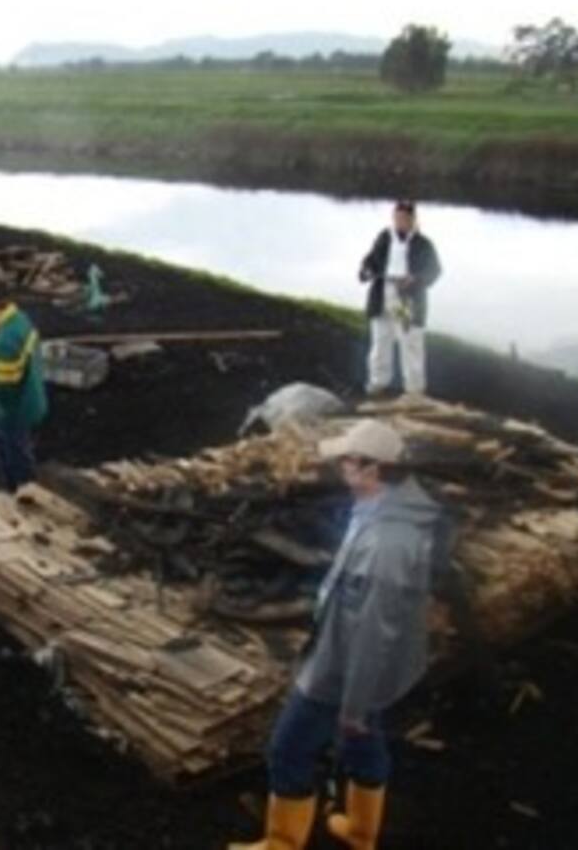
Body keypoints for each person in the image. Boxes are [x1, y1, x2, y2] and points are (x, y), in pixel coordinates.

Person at [228, 419, 449, 850]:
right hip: (358, 662)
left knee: (288, 749)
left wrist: (355, 703)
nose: (340, 467)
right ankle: (362, 834)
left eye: (347, 460)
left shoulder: (387, 543)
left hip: (344, 667)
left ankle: (281, 843)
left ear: (373, 468)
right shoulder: (383, 507)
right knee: (364, 743)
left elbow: (375, 631)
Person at [359, 200, 442, 397]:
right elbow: (370, 260)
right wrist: (367, 270)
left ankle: (414, 390)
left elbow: (434, 270)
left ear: (412, 220)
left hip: (405, 299)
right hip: (383, 294)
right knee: (380, 341)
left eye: (404, 218)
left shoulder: (423, 244)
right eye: (397, 218)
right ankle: (378, 383)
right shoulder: (384, 238)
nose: (400, 222)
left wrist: (415, 279)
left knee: (410, 341)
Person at [0, 277, 48, 491]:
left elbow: (4, 385)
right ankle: (15, 485)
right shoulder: (19, 319)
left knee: (15, 450)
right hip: (30, 393)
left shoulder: (6, 338)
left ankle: (23, 491)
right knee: (4, 443)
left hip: (13, 407)